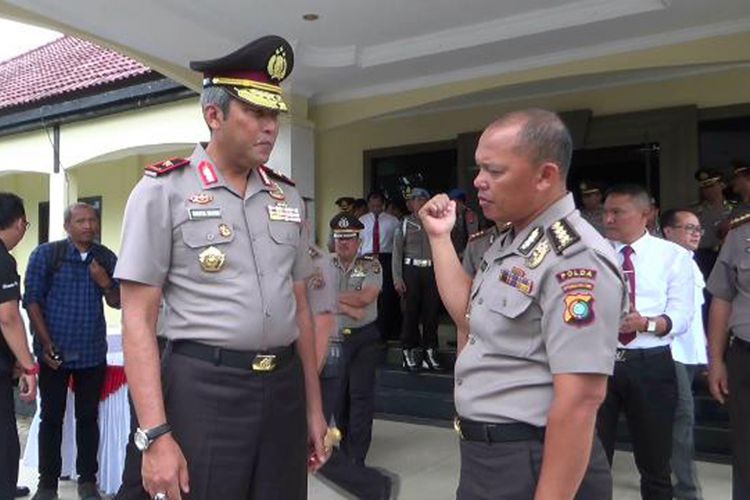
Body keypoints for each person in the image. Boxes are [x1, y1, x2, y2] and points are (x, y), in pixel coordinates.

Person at [113, 35, 328, 500]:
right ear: (214, 115)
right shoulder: (162, 192)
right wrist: (154, 436)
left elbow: (301, 310)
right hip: (204, 388)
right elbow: (137, 320)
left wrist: (314, 409)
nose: (269, 127)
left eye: (274, 115)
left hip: (284, 389)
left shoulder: (287, 198)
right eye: (256, 113)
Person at [420, 108, 625, 499]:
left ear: (545, 175)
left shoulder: (575, 258)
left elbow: (582, 398)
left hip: (532, 460)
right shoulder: (513, 240)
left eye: (494, 171)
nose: (478, 182)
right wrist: (440, 238)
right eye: (479, 168)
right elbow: (469, 313)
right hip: (491, 457)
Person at [596, 184, 695, 500]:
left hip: (650, 362)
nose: (608, 219)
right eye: (606, 212)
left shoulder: (673, 256)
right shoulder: (592, 253)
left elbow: (681, 316)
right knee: (592, 459)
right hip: (600, 361)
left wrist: (647, 324)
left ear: (645, 215)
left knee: (655, 462)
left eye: (617, 213)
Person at [24, 203, 120, 500]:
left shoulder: (105, 257)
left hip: (92, 352)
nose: (88, 226)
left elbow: (119, 301)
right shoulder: (47, 255)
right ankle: (47, 484)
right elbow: (32, 300)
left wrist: (104, 283)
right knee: (51, 419)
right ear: (67, 226)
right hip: (55, 353)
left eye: (92, 220)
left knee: (88, 418)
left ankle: (87, 481)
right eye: (81, 221)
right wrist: (45, 341)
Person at [313, 214, 395, 500]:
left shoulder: (370, 265)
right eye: (339, 238)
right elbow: (317, 298)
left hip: (364, 340)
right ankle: (343, 456)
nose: (343, 243)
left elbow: (366, 298)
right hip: (335, 338)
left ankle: (356, 458)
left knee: (360, 398)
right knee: (338, 400)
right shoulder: (324, 264)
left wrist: (336, 300)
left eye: (348, 238)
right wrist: (349, 305)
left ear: (359, 241)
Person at [661, 208, 707, 500]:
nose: (695, 233)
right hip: (671, 351)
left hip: (689, 353)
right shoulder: (664, 260)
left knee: (676, 420)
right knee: (682, 417)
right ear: (668, 231)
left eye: (698, 229)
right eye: (688, 227)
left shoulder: (690, 261)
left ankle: (667, 478)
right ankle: (687, 490)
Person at [706, 213, 750, 499]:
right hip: (745, 356)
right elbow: (722, 298)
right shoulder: (739, 236)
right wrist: (716, 360)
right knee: (746, 451)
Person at [0, 193, 37, 500]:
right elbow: (8, 318)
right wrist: (28, 365)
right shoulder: (2, 259)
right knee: (4, 437)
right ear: (17, 223)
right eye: (25, 223)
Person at [392, 188, 443, 373]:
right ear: (410, 204)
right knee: (410, 313)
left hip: (431, 270)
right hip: (410, 270)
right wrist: (397, 278)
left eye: (423, 199)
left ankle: (430, 351)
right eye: (415, 199)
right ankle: (408, 351)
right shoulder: (404, 223)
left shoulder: (436, 222)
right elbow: (397, 252)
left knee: (431, 313)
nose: (419, 202)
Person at [359, 192, 401, 343]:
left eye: (378, 205)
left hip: (386, 258)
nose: (375, 208)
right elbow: (358, 244)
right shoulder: (361, 221)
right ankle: (368, 331)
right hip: (367, 258)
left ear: (383, 205)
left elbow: (398, 244)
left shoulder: (393, 221)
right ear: (368, 205)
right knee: (368, 295)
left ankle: (384, 333)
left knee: (386, 296)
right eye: (372, 205)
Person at [692, 169, 735, 278]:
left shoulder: (734, 209)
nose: (708, 190)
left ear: (722, 185)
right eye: (704, 187)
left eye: (711, 186)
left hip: (728, 256)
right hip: (703, 256)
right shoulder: (695, 211)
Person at [448, 188, 479, 259]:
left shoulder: (469, 215)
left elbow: (472, 236)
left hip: (466, 254)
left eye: (455, 202)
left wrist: (466, 253)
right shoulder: (452, 215)